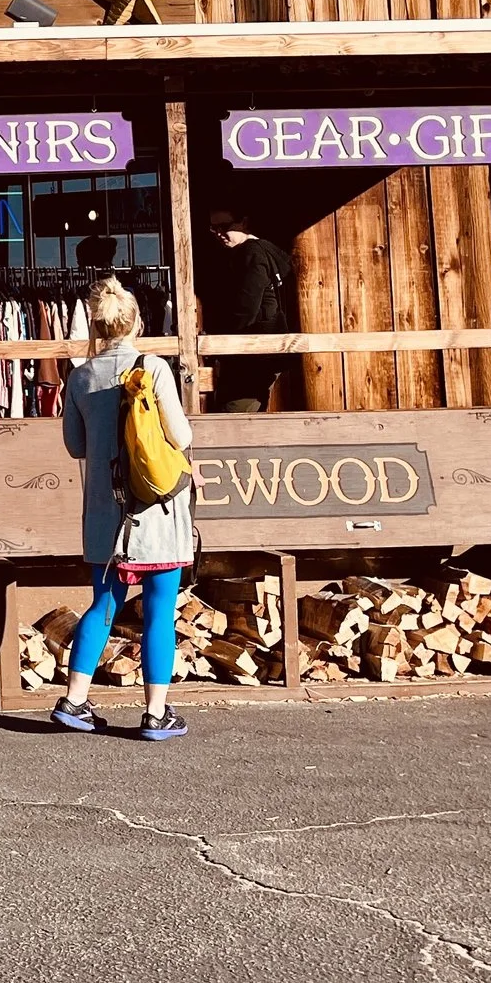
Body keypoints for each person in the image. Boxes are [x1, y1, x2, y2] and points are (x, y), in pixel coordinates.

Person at [51, 276, 196, 741]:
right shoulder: (152, 368)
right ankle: (155, 714)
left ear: (97, 325)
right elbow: (182, 437)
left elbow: (75, 446)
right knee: (159, 611)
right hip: (155, 508)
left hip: (103, 512)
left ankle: (74, 702)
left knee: (103, 605)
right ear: (137, 322)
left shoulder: (79, 377)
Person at [204, 208, 294, 412]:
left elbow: (247, 307)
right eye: (213, 228)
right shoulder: (267, 251)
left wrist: (223, 342)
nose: (219, 233)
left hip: (251, 350)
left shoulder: (250, 252)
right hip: (267, 348)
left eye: (224, 226)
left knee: (235, 414)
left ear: (243, 222)